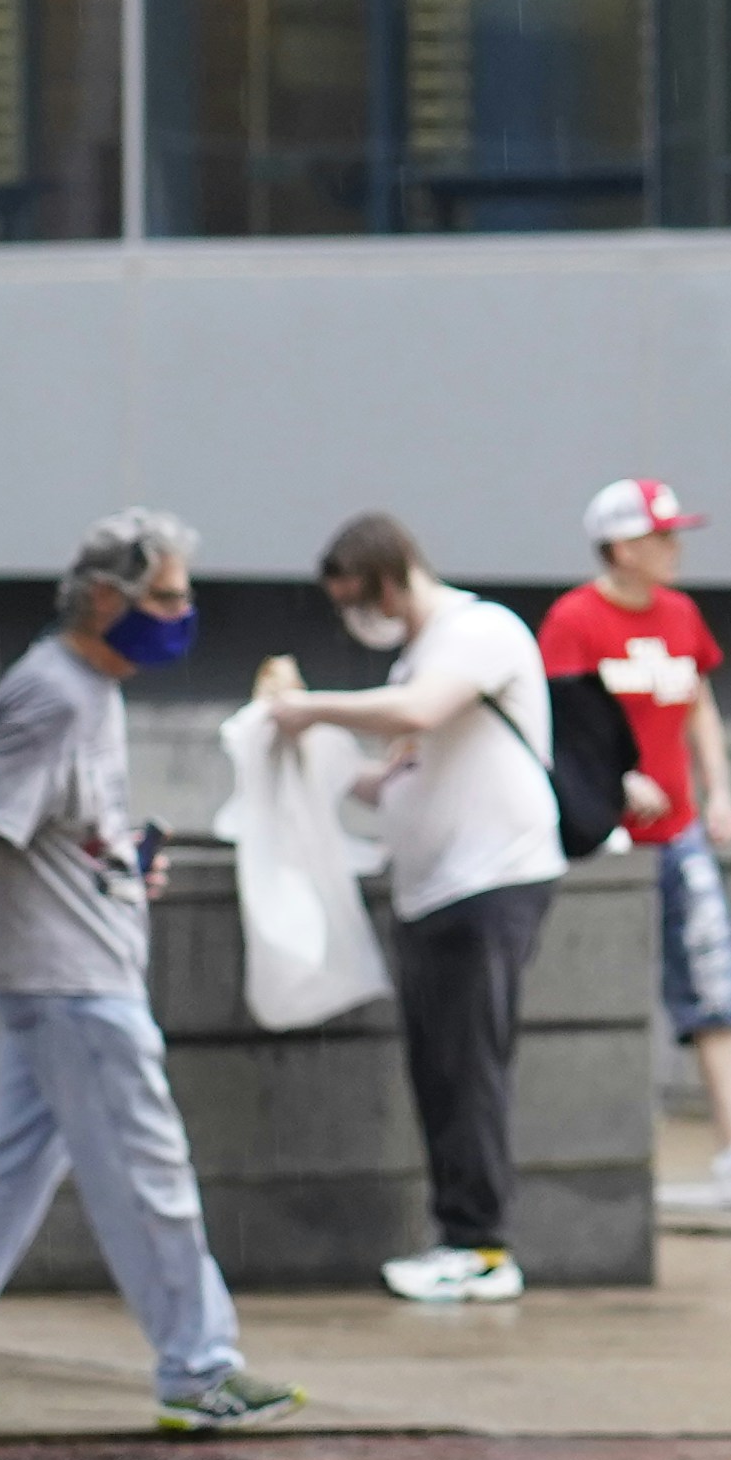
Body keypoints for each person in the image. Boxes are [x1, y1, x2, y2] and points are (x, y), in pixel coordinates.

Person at [0, 511, 306, 1432]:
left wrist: (121, 859)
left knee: (5, 1175)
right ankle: (199, 1369)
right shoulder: (53, 694)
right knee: (150, 1172)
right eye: (166, 596)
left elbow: (52, 826)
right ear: (106, 598)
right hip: (73, 983)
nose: (184, 614)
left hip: (69, 970)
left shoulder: (94, 688)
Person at [265, 512, 575, 1305]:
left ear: (394, 574)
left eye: (364, 599)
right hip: (434, 887)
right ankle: (460, 1234)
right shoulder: (415, 659)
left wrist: (312, 711)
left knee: (468, 1062)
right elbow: (397, 771)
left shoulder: (480, 632)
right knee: (440, 1065)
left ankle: (479, 1245)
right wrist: (321, 760)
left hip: (490, 880)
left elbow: (418, 717)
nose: (362, 619)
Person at [538, 475, 731, 1212]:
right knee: (596, 989)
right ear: (624, 546)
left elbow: (699, 702)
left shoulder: (680, 614)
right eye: (664, 536)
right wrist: (615, 778)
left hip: (678, 830)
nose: (677, 549)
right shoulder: (574, 621)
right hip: (600, 844)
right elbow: (559, 727)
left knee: (712, 972)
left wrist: (718, 790)